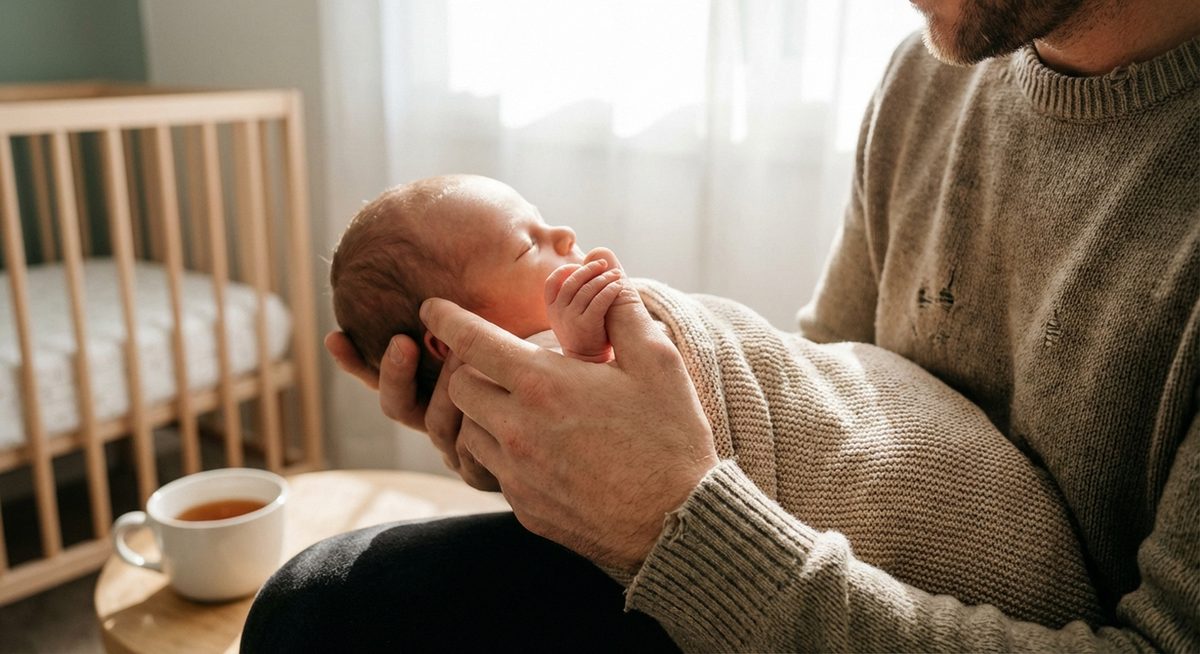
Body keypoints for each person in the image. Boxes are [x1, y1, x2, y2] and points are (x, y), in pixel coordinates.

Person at [244, 0, 1200, 651]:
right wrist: (534, 443)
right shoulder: (932, 74)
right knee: (316, 606)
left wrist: (674, 524)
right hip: (823, 563)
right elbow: (818, 378)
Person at [327, 173, 1102, 626]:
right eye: (528, 243)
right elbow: (583, 419)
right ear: (448, 336)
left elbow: (775, 379)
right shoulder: (542, 355)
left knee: (321, 608)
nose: (564, 232)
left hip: (873, 472)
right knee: (317, 598)